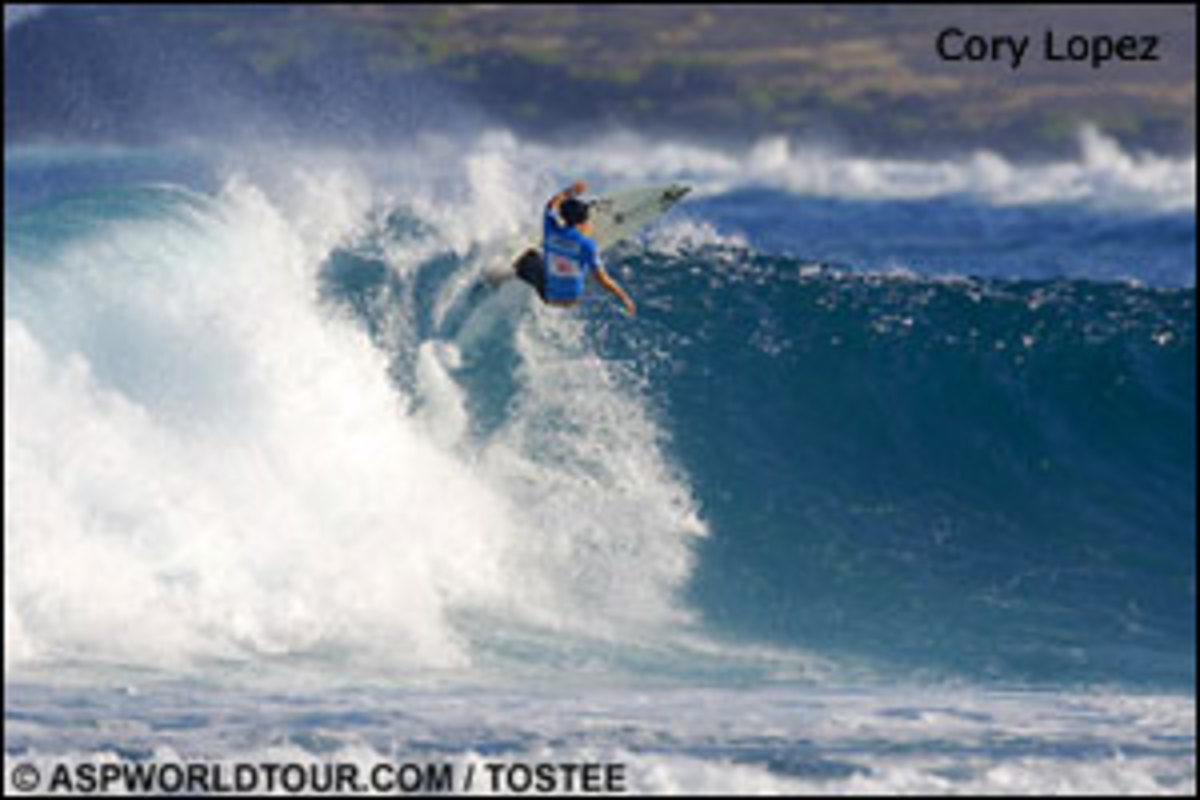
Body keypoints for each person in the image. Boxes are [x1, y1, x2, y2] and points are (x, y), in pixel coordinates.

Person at [513, 181, 636, 316]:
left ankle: (505, 272)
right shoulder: (588, 246)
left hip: (549, 297)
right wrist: (624, 297)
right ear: (582, 222)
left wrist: (571, 191)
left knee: (528, 257)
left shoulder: (550, 229)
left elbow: (551, 204)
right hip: (572, 300)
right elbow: (603, 280)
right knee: (570, 264)